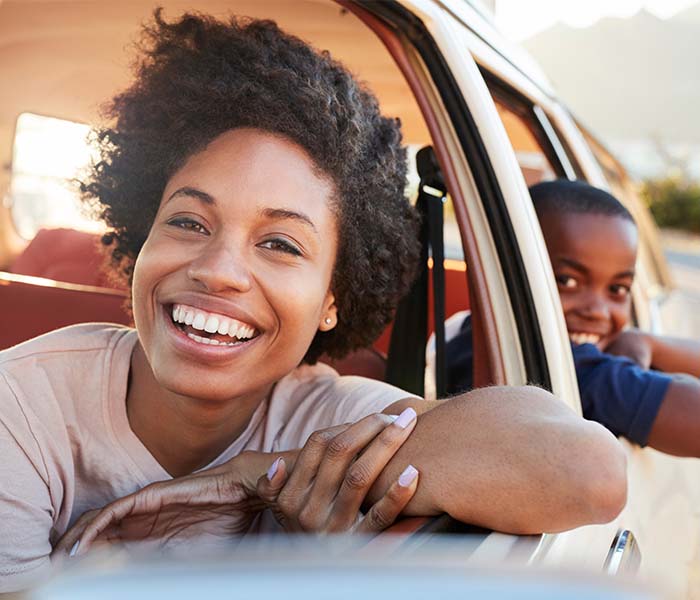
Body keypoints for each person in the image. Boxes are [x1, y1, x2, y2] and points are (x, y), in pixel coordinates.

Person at [0, 13, 626, 592]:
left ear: (333, 297)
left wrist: (258, 474)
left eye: (279, 244)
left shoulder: (326, 420)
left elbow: (588, 471)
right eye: (189, 222)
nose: (219, 271)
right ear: (142, 238)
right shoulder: (22, 410)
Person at [447, 179, 700, 457]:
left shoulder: (467, 335)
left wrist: (643, 341)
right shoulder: (572, 371)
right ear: (506, 271)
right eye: (567, 281)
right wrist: (650, 346)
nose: (598, 311)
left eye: (617, 289)